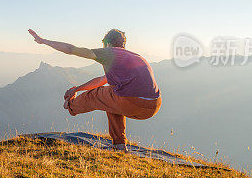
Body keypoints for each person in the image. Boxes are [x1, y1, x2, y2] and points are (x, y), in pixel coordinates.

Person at [28, 28, 161, 151]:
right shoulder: (134, 57)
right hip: (153, 106)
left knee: (95, 95)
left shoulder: (110, 53)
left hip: (133, 103)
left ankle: (70, 106)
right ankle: (119, 145)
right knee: (111, 99)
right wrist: (77, 89)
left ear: (107, 44)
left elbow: (70, 49)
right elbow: (101, 80)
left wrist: (43, 41)